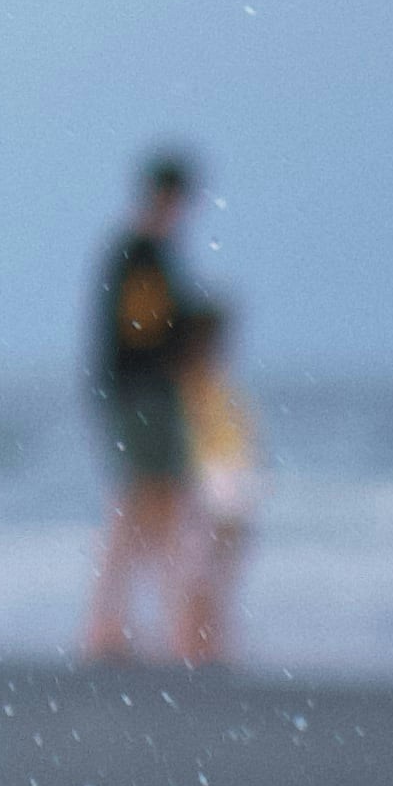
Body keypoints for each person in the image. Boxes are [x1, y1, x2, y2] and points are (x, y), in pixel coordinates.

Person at [82, 152, 203, 658]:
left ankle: (120, 623)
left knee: (145, 509)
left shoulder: (141, 253)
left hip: (135, 393)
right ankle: (144, 627)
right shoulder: (142, 255)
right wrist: (190, 334)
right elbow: (143, 330)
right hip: (143, 395)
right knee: (151, 507)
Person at [175, 296, 263, 666]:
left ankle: (200, 646)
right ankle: (205, 647)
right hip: (229, 480)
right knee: (214, 575)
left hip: (219, 480)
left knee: (205, 574)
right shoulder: (216, 386)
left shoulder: (197, 384)